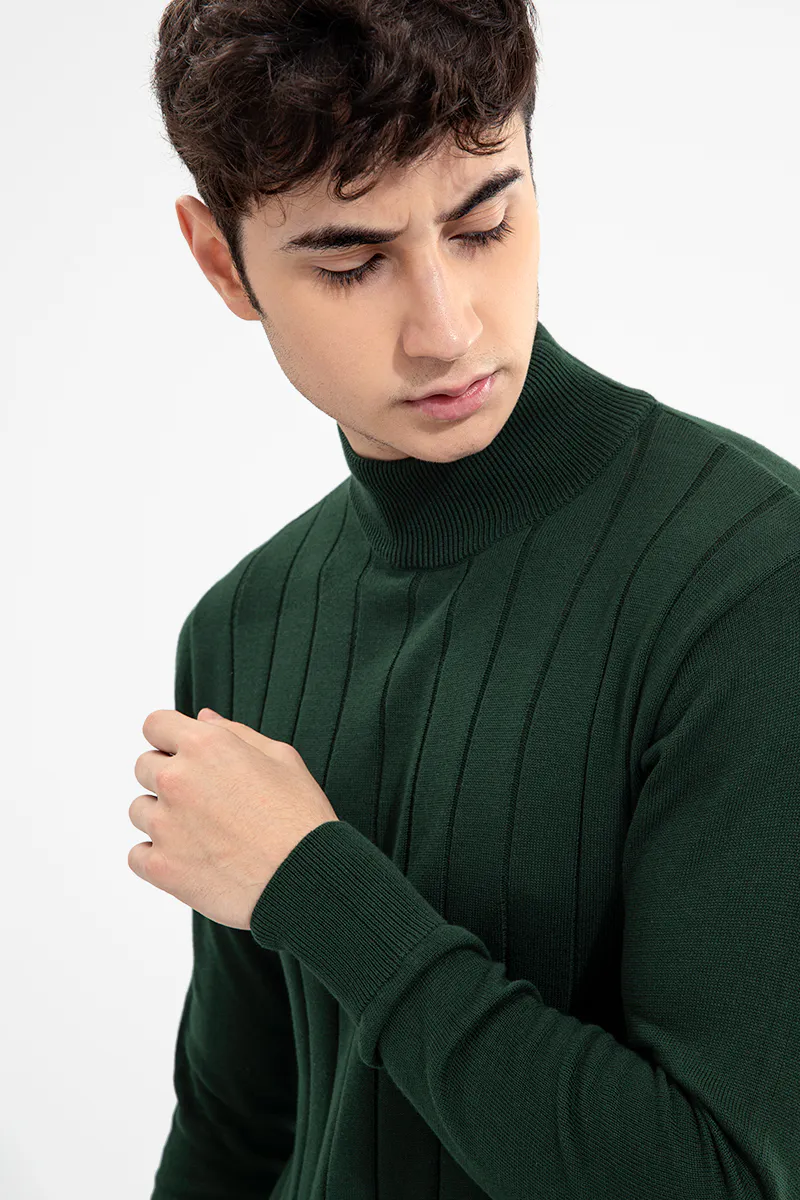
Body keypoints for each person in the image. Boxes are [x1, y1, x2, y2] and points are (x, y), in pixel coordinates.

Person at [147, 2, 800, 1198]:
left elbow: (720, 1180)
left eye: (483, 222)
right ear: (220, 262)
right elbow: (235, 1131)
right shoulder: (241, 628)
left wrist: (316, 888)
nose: (445, 330)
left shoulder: (750, 579)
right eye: (350, 263)